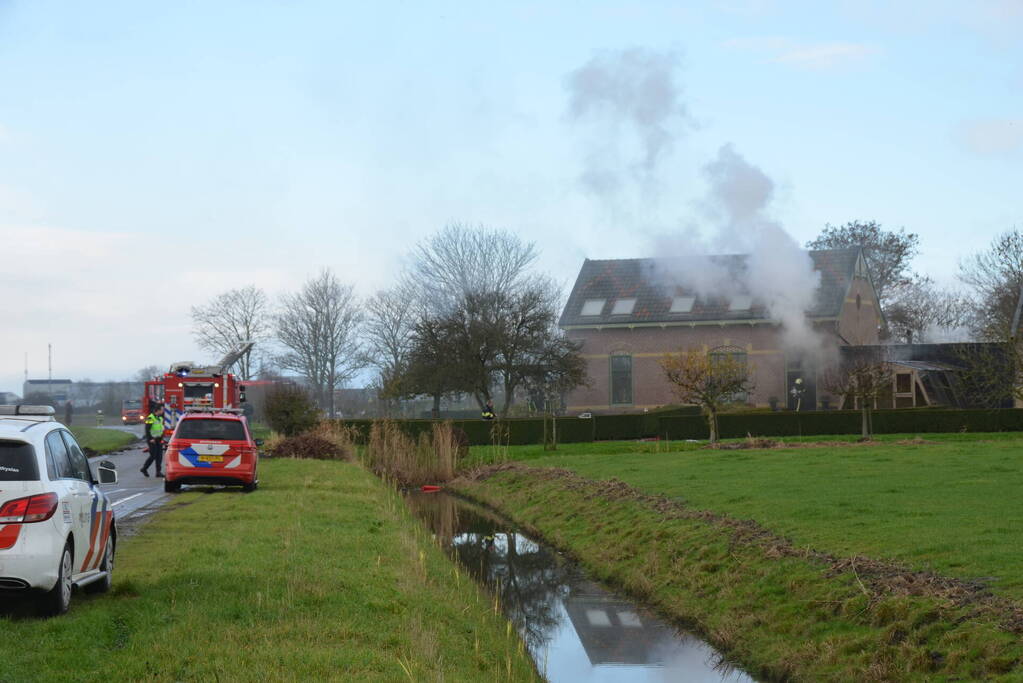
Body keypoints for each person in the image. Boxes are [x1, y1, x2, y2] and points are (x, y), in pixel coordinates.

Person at [141, 404, 165, 478]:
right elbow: (147, 429)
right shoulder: (150, 418)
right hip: (152, 440)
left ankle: (158, 472)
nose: (163, 411)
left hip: (159, 439)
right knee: (153, 456)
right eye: (162, 409)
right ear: (158, 410)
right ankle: (144, 469)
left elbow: (161, 429)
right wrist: (150, 439)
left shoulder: (160, 418)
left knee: (159, 456)